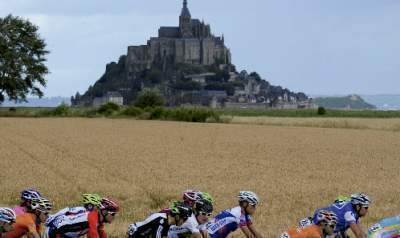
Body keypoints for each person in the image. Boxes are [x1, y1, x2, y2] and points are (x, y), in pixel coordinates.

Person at [45, 197, 119, 238]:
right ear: (104, 212)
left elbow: (102, 235)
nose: (114, 217)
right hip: (55, 231)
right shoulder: (92, 218)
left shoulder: (99, 221)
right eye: (113, 214)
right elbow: (92, 235)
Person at [127, 201, 192, 238]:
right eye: (184, 219)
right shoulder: (161, 220)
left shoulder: (168, 222)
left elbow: (163, 236)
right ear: (177, 216)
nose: (185, 221)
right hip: (136, 233)